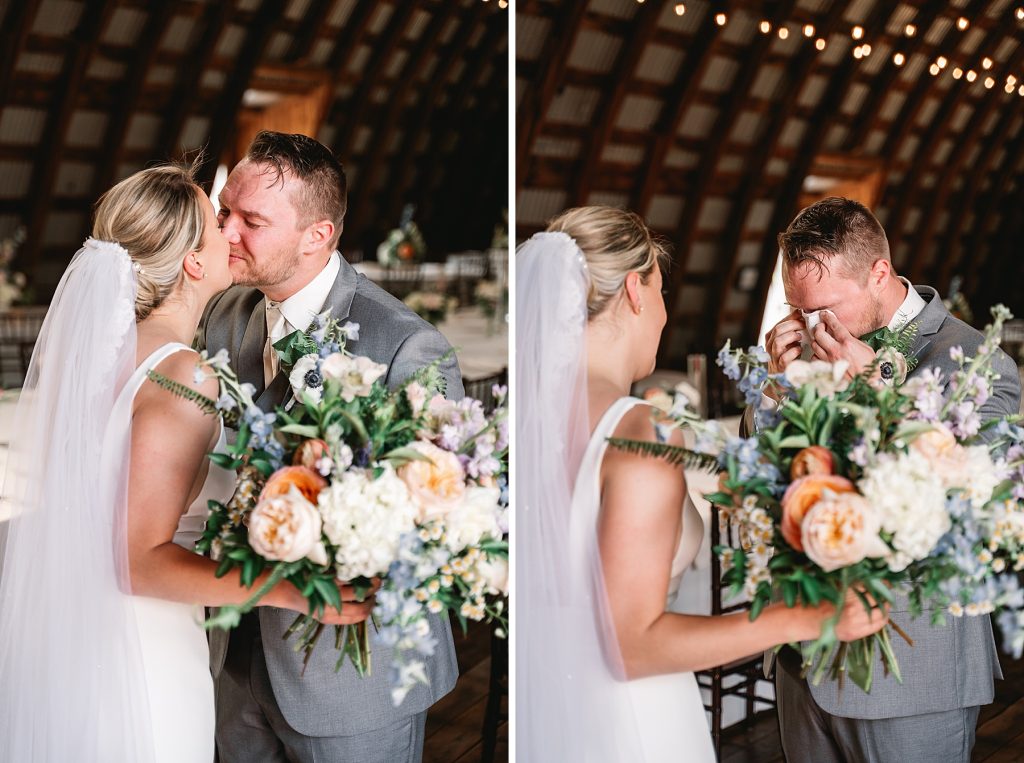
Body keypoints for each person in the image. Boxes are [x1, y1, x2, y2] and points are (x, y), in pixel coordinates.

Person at [0, 163, 370, 762]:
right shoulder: (183, 374)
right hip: (141, 643)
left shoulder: (101, 357)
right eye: (217, 220)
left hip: (79, 633)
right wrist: (294, 591)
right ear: (194, 263)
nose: (233, 231)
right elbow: (139, 562)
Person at [515, 205, 888, 762]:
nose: (666, 314)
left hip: (547, 704)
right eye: (662, 291)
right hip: (627, 722)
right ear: (637, 293)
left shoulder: (528, 415)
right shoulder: (639, 431)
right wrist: (808, 616)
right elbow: (632, 647)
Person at [200, 131, 463, 763]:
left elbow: (442, 522)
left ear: (318, 235)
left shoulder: (406, 347)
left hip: (350, 681)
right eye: (225, 213)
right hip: (233, 662)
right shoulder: (223, 314)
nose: (226, 231)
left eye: (251, 221)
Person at [760, 197, 1020, 763]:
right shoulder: (802, 347)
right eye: (796, 307)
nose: (808, 326)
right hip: (799, 659)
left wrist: (877, 394)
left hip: (909, 676)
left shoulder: (980, 361)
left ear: (879, 273)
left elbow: (981, 491)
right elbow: (771, 481)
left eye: (824, 307)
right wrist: (776, 396)